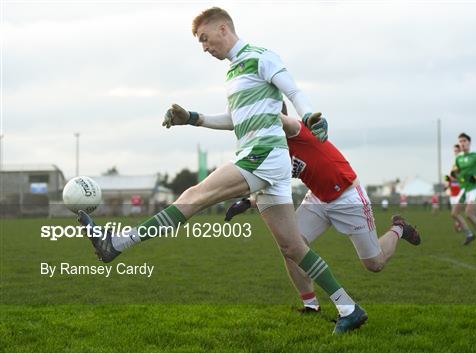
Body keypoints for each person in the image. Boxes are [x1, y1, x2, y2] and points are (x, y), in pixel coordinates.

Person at [78, 7, 365, 334]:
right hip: (266, 159)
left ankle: (115, 245)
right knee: (292, 247)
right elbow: (234, 120)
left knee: (194, 196)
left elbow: (294, 91)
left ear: (223, 29)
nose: (204, 47)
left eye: (204, 38)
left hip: (264, 154)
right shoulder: (232, 74)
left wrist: (311, 116)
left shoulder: (260, 56)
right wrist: (193, 118)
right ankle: (349, 307)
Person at [225, 108, 420, 313]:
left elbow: (279, 116)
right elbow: (271, 186)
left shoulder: (295, 130)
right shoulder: (274, 150)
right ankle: (311, 305)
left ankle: (399, 228)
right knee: (290, 245)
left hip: (347, 196)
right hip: (318, 197)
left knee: (374, 263)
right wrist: (247, 202)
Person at [445, 144, 475, 244]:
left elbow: (462, 178)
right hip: (454, 193)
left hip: (463, 192)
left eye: (457, 151)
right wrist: (447, 180)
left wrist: (454, 178)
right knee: (456, 214)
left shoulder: (463, 163)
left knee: (462, 214)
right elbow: (451, 176)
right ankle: (470, 233)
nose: (456, 153)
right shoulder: (456, 162)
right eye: (455, 151)